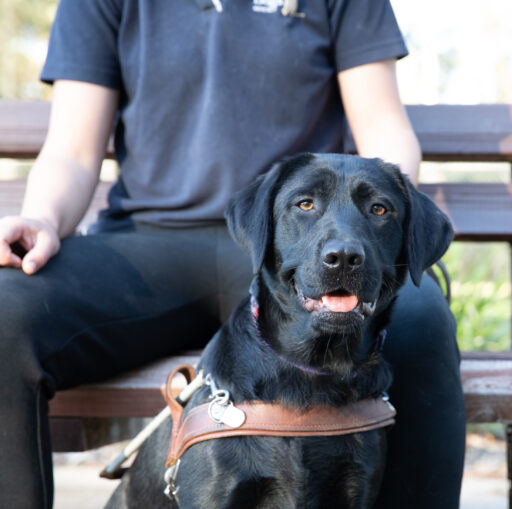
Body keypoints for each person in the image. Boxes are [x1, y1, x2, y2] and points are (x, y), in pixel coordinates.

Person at [0, 0, 466, 507]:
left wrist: (372, 230)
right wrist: (43, 217)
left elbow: (383, 126)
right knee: (6, 316)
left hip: (297, 238)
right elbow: (72, 148)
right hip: (151, 249)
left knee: (422, 320)